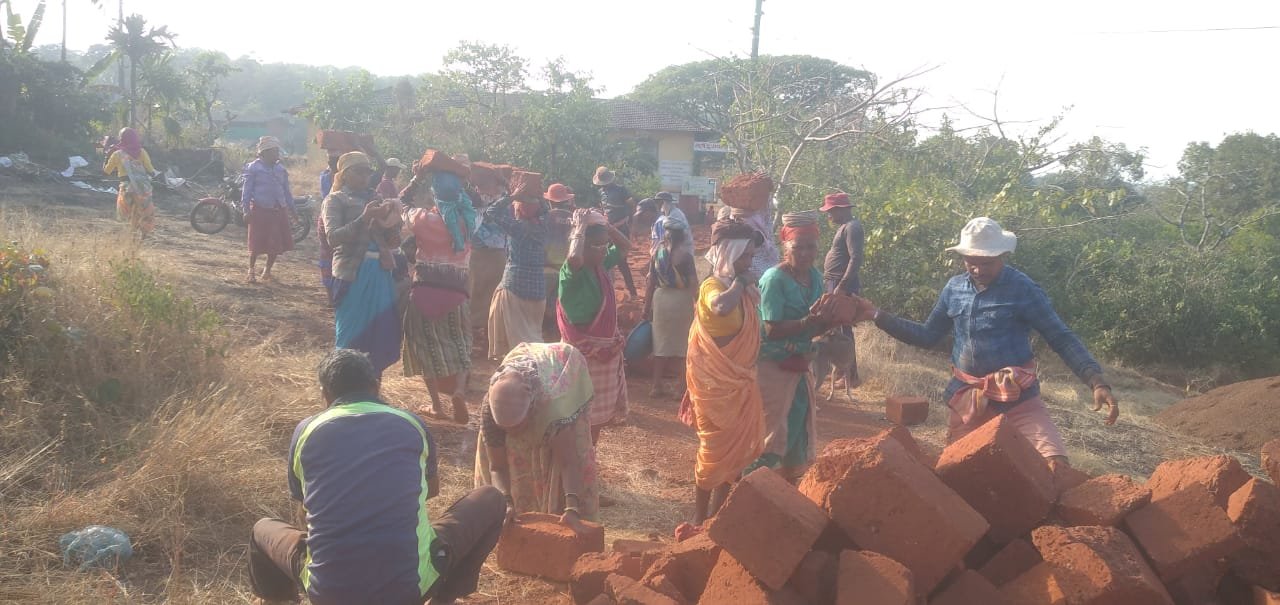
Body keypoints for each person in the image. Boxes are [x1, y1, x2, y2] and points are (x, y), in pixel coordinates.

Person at [248, 349, 505, 605]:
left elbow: (304, 510)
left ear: (324, 394)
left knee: (262, 530)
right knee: (491, 498)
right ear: (376, 386)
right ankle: (443, 599)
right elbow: (431, 490)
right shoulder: (411, 423)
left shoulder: (306, 431)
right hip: (409, 590)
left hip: (329, 593)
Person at [855, 217, 1119, 462]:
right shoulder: (954, 289)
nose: (978, 269)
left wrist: (1095, 381)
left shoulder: (1023, 289)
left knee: (1054, 464)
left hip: (1019, 400)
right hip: (969, 401)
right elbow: (927, 335)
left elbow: (1060, 336)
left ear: (1002, 256)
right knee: (958, 473)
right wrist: (877, 315)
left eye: (987, 263)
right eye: (971, 262)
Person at [682, 219, 766, 525]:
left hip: (740, 382)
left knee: (737, 452)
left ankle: (716, 518)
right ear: (729, 253)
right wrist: (741, 282)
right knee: (713, 449)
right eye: (744, 256)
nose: (749, 262)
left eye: (751, 256)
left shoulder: (743, 290)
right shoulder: (713, 286)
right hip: (713, 385)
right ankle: (699, 518)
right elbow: (720, 307)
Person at [474, 342, 600, 527]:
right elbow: (497, 467)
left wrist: (572, 507)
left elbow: (568, 463)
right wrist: (506, 502)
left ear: (531, 412)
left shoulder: (553, 410)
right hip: (524, 363)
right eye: (505, 429)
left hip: (564, 365)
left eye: (517, 427)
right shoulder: (490, 412)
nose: (512, 433)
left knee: (572, 450)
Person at [749, 211, 829, 482]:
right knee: (772, 429)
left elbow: (815, 327)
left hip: (800, 364)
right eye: (798, 247)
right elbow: (771, 330)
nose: (805, 254)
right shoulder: (774, 279)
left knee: (797, 424)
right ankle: (753, 487)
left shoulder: (815, 277)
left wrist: (834, 320)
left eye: (811, 247)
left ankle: (787, 488)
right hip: (773, 366)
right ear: (786, 247)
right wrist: (809, 321)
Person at [400, 165, 476, 424]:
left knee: (423, 347)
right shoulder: (469, 220)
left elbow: (400, 203)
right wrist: (465, 179)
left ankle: (436, 405)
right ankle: (459, 391)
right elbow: (478, 203)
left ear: (434, 194)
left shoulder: (422, 219)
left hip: (424, 292)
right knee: (462, 344)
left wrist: (417, 177)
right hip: (457, 295)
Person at [321, 152, 404, 375]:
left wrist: (392, 227)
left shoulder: (376, 198)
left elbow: (389, 238)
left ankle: (373, 386)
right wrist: (364, 218)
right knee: (350, 335)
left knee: (380, 335)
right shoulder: (335, 200)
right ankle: (343, 385)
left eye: (367, 172)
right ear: (345, 174)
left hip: (380, 272)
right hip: (353, 273)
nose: (364, 177)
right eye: (359, 172)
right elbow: (333, 237)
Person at [558, 208, 632, 443]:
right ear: (581, 245)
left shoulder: (600, 266)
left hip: (604, 353)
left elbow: (625, 246)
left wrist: (606, 226)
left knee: (597, 420)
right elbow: (574, 258)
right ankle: (574, 458)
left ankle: (589, 457)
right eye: (596, 246)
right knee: (574, 415)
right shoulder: (572, 272)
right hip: (580, 353)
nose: (603, 251)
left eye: (604, 245)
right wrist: (580, 227)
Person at [485, 172, 549, 359]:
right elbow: (545, 210)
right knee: (533, 336)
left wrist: (512, 196)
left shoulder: (518, 228)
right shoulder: (544, 226)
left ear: (518, 209)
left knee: (517, 345)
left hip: (515, 287)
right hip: (538, 291)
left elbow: (492, 212)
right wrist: (537, 195)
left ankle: (518, 372)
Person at [643, 216, 698, 398]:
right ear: (682, 237)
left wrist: (646, 307)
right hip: (681, 300)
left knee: (660, 345)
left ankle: (656, 386)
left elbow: (650, 283)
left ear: (665, 236)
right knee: (683, 346)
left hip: (661, 300)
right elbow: (693, 284)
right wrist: (698, 304)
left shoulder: (656, 253)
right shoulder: (686, 257)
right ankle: (679, 388)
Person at [818, 191, 865, 385]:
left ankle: (851, 376)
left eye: (830, 211)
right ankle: (841, 372)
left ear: (840, 209)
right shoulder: (845, 227)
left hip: (841, 284)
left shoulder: (853, 227)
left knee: (844, 331)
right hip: (835, 282)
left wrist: (842, 286)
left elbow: (856, 258)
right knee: (835, 329)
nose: (828, 215)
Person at [241, 136, 296, 284]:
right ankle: (251, 271)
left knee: (275, 243)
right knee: (256, 242)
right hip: (260, 209)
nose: (277, 154)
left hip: (278, 210)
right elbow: (246, 191)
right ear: (264, 153)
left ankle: (267, 270)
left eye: (278, 151)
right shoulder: (253, 168)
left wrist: (292, 209)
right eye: (274, 151)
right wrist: (246, 210)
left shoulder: (280, 169)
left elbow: (286, 191)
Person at [467, 163, 509, 334]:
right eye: (478, 184)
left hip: (495, 254)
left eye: (483, 183)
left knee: (493, 294)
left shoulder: (504, 200)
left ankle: (488, 331)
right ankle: (477, 331)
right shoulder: (475, 198)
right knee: (475, 292)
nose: (479, 187)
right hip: (476, 253)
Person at [593, 166, 639, 299]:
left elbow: (632, 205)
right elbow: (604, 208)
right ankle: (605, 290)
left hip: (621, 228)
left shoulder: (621, 190)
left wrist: (630, 220)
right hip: (607, 229)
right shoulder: (601, 192)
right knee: (603, 258)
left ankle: (633, 292)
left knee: (622, 261)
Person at [102, 127, 158, 235]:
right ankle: (144, 235)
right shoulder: (142, 152)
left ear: (121, 139)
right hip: (142, 188)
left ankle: (130, 235)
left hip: (126, 187)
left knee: (126, 213)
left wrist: (107, 155)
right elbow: (151, 171)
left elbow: (106, 172)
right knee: (145, 212)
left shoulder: (117, 154)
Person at [543, 184, 576, 337]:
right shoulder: (574, 218)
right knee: (559, 305)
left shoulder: (544, 217)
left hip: (545, 268)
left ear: (550, 201)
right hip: (566, 269)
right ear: (566, 200)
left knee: (542, 305)